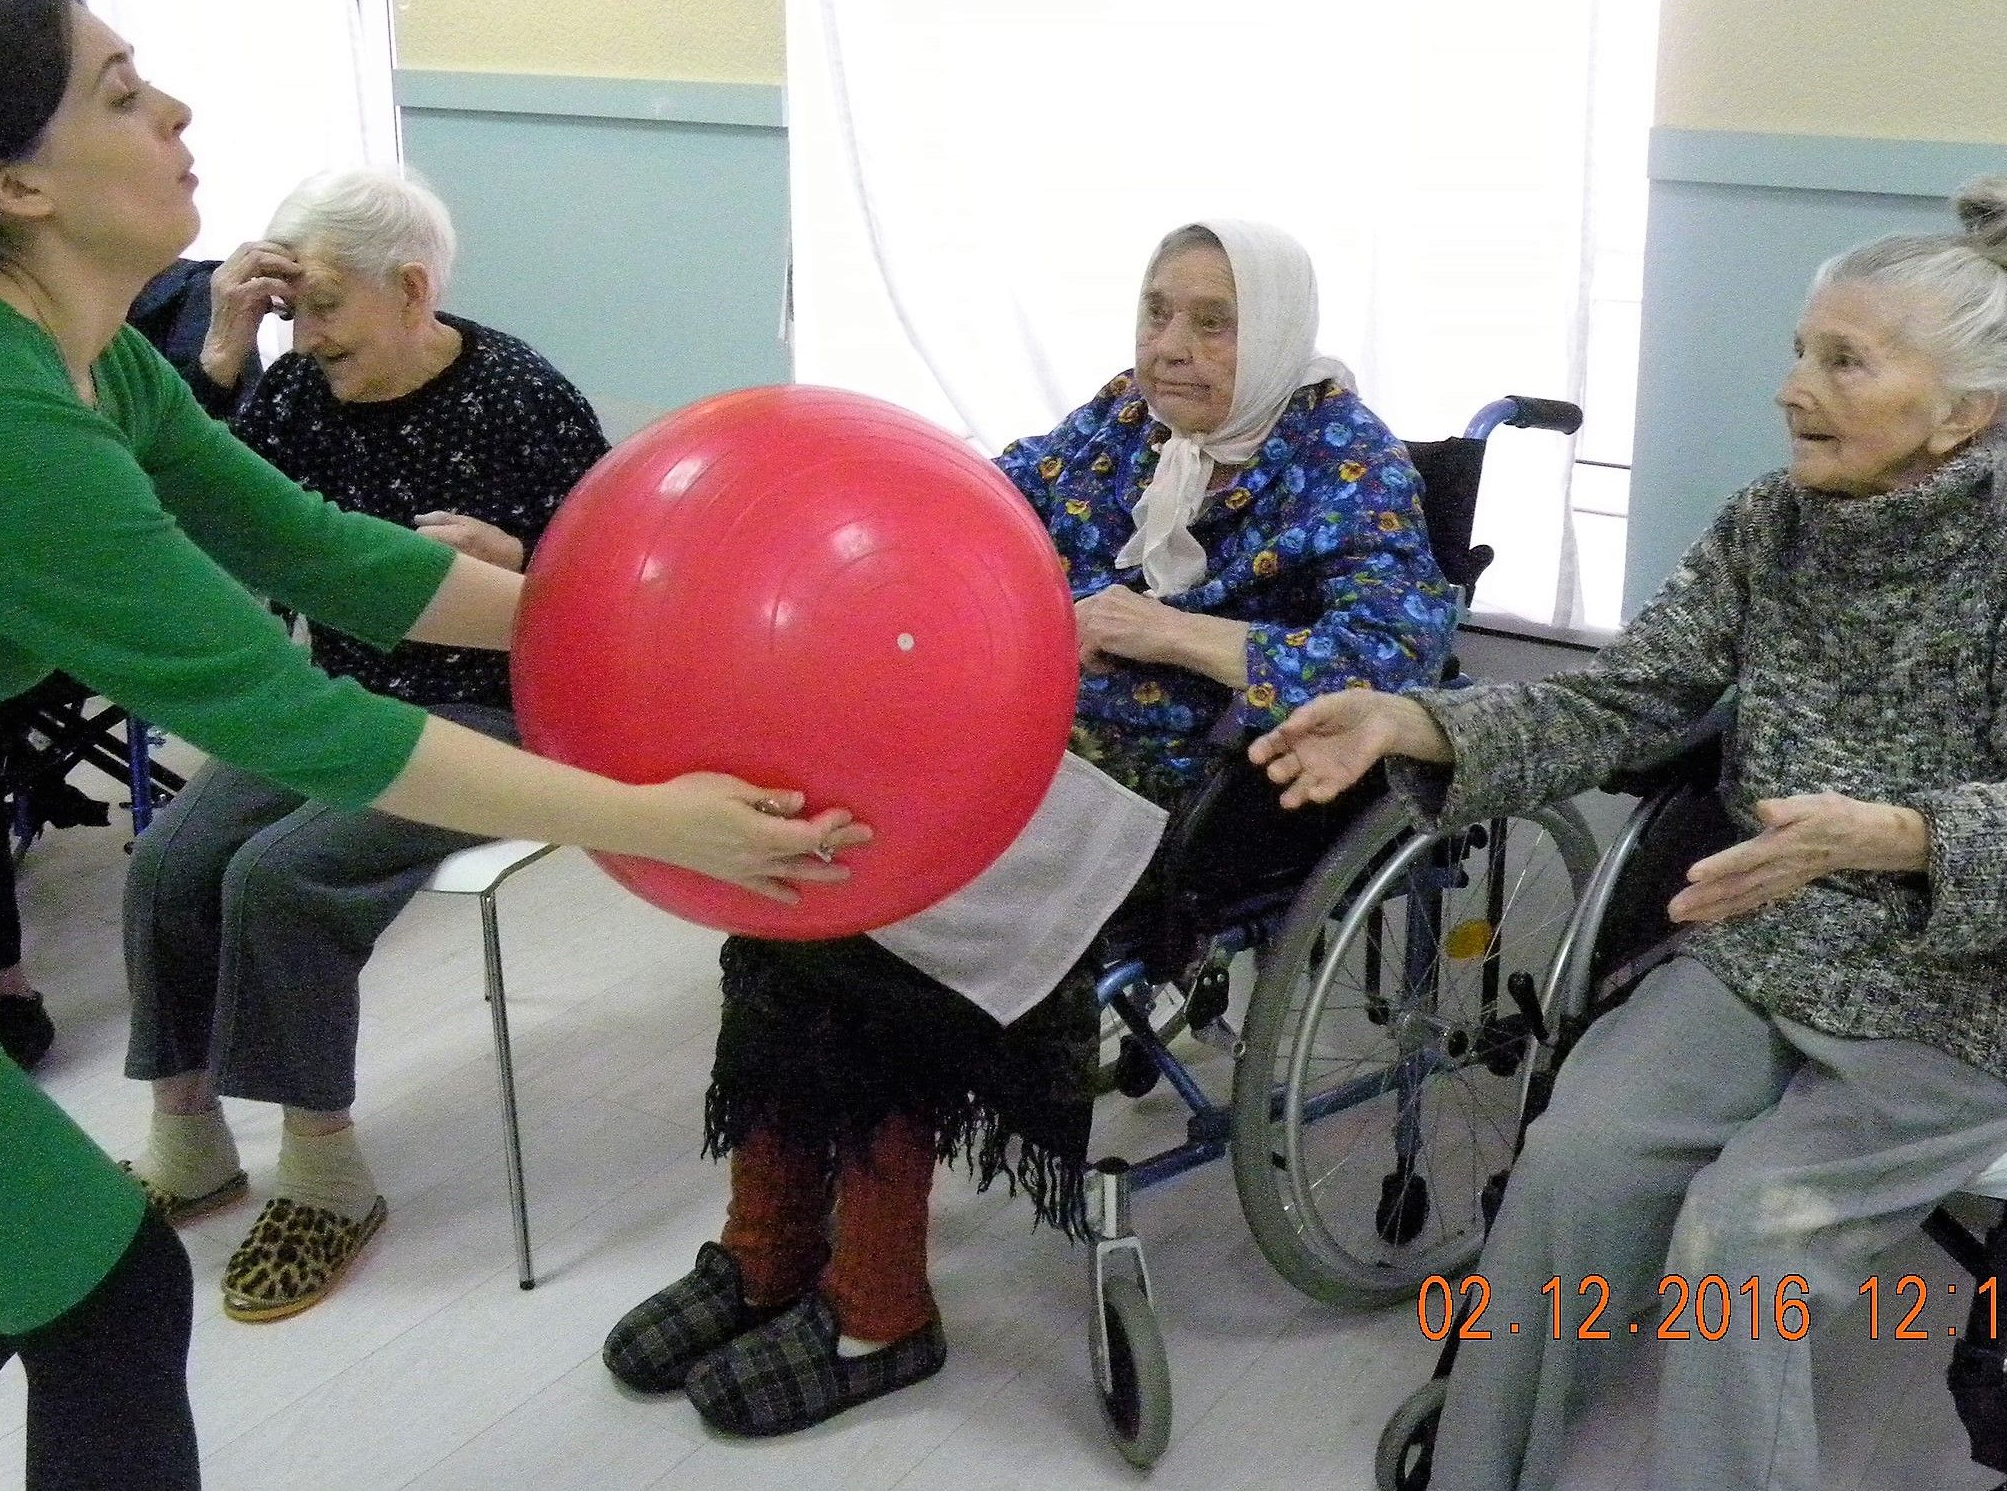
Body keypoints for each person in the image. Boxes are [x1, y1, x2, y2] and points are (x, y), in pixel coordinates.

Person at [0, 0, 861, 1491]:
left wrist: (641, 616)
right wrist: (658, 814)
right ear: (14, 185)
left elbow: (330, 554)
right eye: (118, 91)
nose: (175, 111)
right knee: (107, 1281)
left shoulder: (85, 359)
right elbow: (300, 714)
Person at [1250, 177, 2007, 1491]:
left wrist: (1889, 834)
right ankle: (1480, 1466)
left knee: (1744, 1239)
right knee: (1572, 1156)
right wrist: (1416, 724)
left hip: (1974, 982)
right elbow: (1627, 697)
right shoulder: (1764, 524)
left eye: (1842, 361)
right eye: (1798, 349)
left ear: (1965, 409)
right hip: (1768, 934)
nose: (1790, 388)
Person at [603, 219, 1457, 1434]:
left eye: (1211, 322)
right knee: (805, 872)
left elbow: (1399, 652)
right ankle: (766, 1247)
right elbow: (985, 504)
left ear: (1272, 332)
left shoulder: (1344, 458)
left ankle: (879, 1305)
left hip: (1182, 792)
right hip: (1014, 734)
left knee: (891, 930)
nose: (1169, 347)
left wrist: (1172, 633)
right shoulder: (1126, 420)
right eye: (1157, 311)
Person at [120, 167, 611, 1322]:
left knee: (281, 876)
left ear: (411, 287)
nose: (310, 332)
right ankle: (187, 1141)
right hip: (342, 693)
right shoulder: (291, 389)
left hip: (496, 709)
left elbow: (627, 583)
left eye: (325, 305)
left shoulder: (520, 394)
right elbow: (194, 516)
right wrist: (229, 350)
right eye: (294, 306)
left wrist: (520, 566)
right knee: (173, 860)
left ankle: (327, 1175)